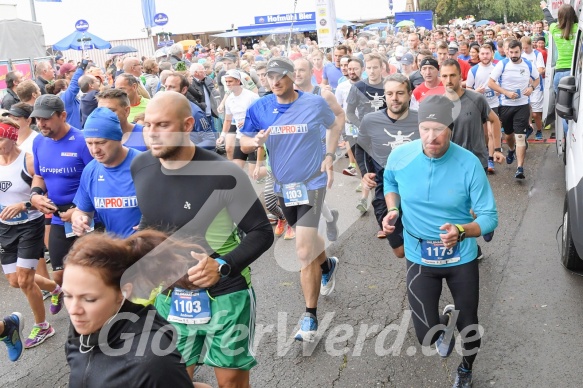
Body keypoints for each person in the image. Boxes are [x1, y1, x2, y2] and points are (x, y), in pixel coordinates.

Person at [132, 91, 273, 385]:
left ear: (186, 126)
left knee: (231, 382)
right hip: (170, 295)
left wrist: (221, 265)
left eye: (162, 125)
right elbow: (152, 218)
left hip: (225, 293)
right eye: (148, 125)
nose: (152, 134)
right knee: (172, 381)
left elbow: (261, 232)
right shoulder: (141, 167)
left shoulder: (223, 173)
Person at [382, 95, 498, 388]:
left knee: (469, 324)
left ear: (451, 128)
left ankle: (465, 369)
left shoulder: (469, 163)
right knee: (426, 337)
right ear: (418, 128)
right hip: (420, 256)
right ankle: (443, 328)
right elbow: (390, 181)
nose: (431, 137)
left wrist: (461, 230)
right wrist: (393, 208)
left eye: (439, 130)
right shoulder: (401, 156)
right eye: (425, 129)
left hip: (461, 258)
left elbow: (489, 217)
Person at [240, 57, 343, 342]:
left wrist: (330, 155)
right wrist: (255, 143)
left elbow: (334, 124)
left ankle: (309, 318)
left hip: (313, 182)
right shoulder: (259, 108)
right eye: (269, 77)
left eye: (279, 76)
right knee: (307, 243)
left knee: (301, 250)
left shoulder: (314, 103)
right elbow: (244, 140)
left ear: (291, 77)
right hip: (283, 186)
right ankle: (327, 266)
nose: (274, 81)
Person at [62, 231, 211, 388]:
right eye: (67, 295)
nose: (73, 310)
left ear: (122, 292)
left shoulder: (152, 360)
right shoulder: (85, 328)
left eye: (89, 299)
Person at [0, 117, 62, 348]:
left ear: (11, 137)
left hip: (30, 225)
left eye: (0, 137)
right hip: (5, 229)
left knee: (25, 280)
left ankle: (43, 326)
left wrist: (23, 205)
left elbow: (49, 197)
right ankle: (55, 288)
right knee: (15, 280)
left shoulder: (29, 162)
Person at [29, 95, 94, 291]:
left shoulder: (83, 141)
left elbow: (95, 178)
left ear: (63, 116)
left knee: (90, 272)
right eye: (38, 119)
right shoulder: (39, 141)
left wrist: (79, 210)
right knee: (59, 274)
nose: (41, 123)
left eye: (46, 118)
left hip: (86, 215)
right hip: (58, 216)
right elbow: (39, 176)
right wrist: (35, 195)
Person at [357, 74, 419, 258]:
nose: (395, 98)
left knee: (420, 238)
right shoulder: (370, 120)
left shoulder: (422, 119)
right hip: (384, 189)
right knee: (399, 250)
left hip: (417, 188)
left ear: (409, 94)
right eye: (390, 93)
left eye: (400, 93)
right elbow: (360, 148)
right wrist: (365, 173)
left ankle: (422, 273)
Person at [71, 108, 142, 238]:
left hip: (149, 251)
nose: (94, 150)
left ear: (118, 138)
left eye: (101, 143)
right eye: (89, 143)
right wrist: (78, 220)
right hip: (115, 251)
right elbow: (81, 210)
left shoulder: (144, 165)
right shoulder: (90, 170)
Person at [488, 40, 540, 180]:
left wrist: (531, 88)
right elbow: (491, 82)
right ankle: (511, 150)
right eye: (511, 52)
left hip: (522, 105)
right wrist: (505, 92)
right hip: (506, 105)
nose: (513, 55)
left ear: (521, 51)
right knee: (509, 136)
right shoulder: (503, 64)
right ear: (507, 52)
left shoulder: (528, 64)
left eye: (516, 52)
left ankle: (520, 168)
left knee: (520, 137)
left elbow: (536, 79)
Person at [217, 69, 259, 170]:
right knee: (237, 171)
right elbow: (227, 120)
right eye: (226, 82)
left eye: (230, 81)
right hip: (240, 137)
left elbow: (261, 116)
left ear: (238, 81)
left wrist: (247, 121)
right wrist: (222, 136)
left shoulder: (251, 96)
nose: (228, 84)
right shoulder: (229, 100)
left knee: (254, 174)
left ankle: (270, 172)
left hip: (254, 137)